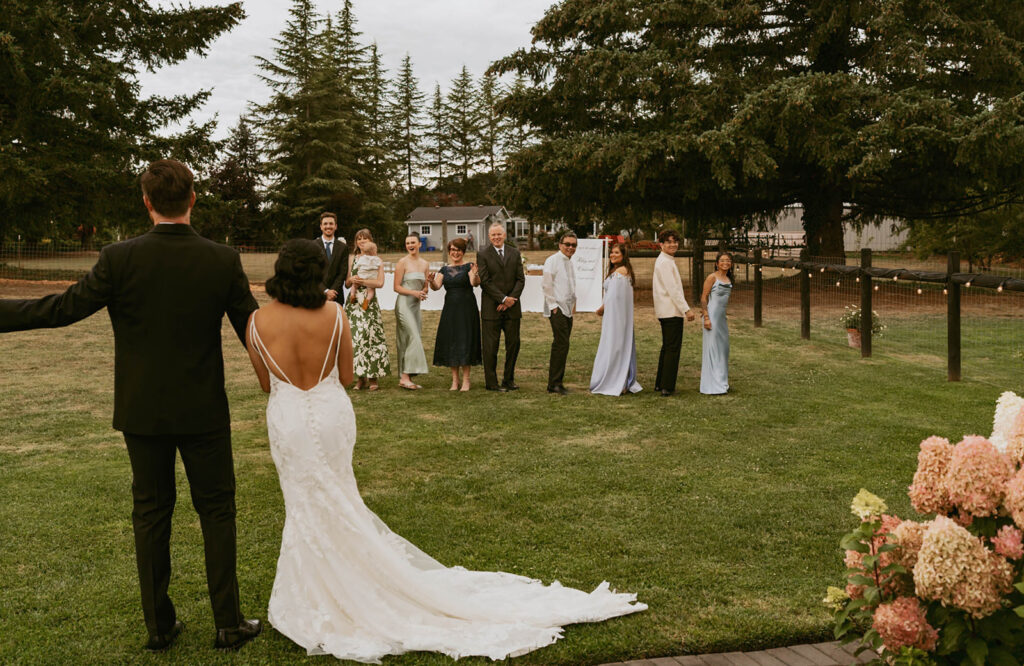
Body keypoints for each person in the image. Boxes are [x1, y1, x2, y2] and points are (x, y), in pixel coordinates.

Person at [246, 240, 646, 662]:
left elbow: (265, 384)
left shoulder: (257, 321)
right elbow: (345, 376)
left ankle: (315, 591)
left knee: (304, 502)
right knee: (341, 495)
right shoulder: (334, 314)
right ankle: (345, 580)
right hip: (330, 416)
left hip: (288, 419)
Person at [0, 159, 262, 653]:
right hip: (204, 408)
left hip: (142, 410)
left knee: (151, 512)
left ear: (146, 202)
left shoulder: (119, 258)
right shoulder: (221, 259)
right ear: (193, 199)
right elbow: (256, 332)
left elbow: (61, 309)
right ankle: (228, 624)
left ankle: (159, 628)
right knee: (217, 511)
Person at [476, 222, 525, 392]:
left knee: (513, 345)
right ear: (489, 237)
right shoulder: (482, 254)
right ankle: (491, 382)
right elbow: (485, 281)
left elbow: (520, 279)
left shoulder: (514, 252)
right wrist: (503, 299)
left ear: (504, 235)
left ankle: (508, 380)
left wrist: (511, 300)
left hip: (513, 308)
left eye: (499, 234)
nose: (496, 237)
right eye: (493, 235)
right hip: (491, 309)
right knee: (491, 347)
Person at [589, 243, 642, 396]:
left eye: (616, 253)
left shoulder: (621, 272)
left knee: (616, 345)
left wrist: (602, 309)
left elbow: (614, 298)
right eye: (611, 252)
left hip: (616, 318)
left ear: (623, 255)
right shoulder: (617, 271)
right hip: (614, 316)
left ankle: (616, 380)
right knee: (615, 345)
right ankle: (620, 379)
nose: (613, 255)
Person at [431, 237, 482, 391]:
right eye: (452, 250)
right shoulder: (444, 270)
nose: (455, 252)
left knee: (465, 341)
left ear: (463, 252)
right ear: (449, 252)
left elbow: (475, 283)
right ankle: (455, 381)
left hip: (467, 309)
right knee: (452, 341)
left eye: (458, 250)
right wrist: (430, 281)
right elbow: (436, 286)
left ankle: (466, 380)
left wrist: (475, 273)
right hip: (450, 310)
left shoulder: (469, 267)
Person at [652, 230, 697, 396]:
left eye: (675, 241)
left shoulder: (666, 260)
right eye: (668, 242)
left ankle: (660, 383)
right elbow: (673, 290)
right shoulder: (665, 262)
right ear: (661, 244)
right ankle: (667, 386)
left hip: (666, 310)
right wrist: (686, 309)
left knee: (667, 347)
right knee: (672, 349)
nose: (673, 244)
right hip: (670, 311)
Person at [345, 229, 390, 391]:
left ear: (371, 241)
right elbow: (347, 282)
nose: (362, 241)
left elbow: (380, 283)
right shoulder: (353, 259)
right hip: (354, 301)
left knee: (370, 338)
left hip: (369, 303)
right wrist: (352, 279)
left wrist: (364, 280)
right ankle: (360, 378)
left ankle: (373, 377)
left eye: (365, 238)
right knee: (355, 339)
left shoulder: (377, 260)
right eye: (359, 239)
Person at [542, 232, 578, 395]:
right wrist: (553, 306)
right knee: (560, 344)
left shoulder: (569, 262)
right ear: (560, 245)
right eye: (568, 244)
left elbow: (569, 285)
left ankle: (557, 382)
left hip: (567, 308)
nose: (570, 247)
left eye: (573, 245)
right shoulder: (552, 260)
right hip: (557, 309)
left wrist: (573, 303)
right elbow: (546, 284)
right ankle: (554, 384)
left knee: (563, 345)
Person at [393, 233, 429, 390]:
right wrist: (414, 293)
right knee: (413, 336)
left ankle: (405, 377)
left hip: (415, 306)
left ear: (419, 244)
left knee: (412, 338)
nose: (410, 245)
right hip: (403, 305)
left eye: (413, 242)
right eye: (407, 243)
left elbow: (425, 286)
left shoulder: (425, 264)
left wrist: (424, 291)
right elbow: (396, 287)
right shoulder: (402, 262)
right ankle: (406, 376)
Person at [700, 251, 734, 395]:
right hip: (711, 317)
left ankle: (721, 381)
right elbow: (703, 298)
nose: (725, 263)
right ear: (716, 263)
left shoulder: (728, 278)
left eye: (728, 260)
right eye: (722, 260)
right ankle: (712, 384)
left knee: (723, 350)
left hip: (721, 319)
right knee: (713, 349)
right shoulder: (712, 277)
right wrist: (706, 317)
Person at [317, 211, 349, 303]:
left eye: (331, 223)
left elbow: (342, 272)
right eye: (325, 224)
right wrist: (325, 291)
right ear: (321, 226)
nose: (328, 226)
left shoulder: (343, 247)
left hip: (336, 295)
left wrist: (332, 292)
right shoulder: (312, 246)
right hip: (317, 295)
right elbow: (311, 273)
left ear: (335, 226)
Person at [350, 241, 382, 311]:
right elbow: (379, 265)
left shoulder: (362, 258)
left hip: (362, 275)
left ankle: (352, 294)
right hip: (371, 278)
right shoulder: (377, 259)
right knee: (371, 291)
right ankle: (367, 299)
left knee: (354, 285)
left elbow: (357, 265)